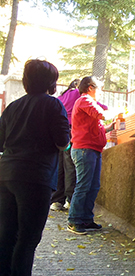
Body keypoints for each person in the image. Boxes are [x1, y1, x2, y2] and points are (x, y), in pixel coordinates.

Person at [0, 59, 70, 276]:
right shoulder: (53, 105)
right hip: (36, 177)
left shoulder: (13, 106)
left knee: (7, 236)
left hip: (6, 175)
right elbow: (63, 142)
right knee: (27, 239)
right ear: (52, 82)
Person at [68, 76, 113, 235]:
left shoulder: (87, 103)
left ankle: (86, 219)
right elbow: (101, 114)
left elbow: (97, 126)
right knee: (83, 185)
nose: (101, 92)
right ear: (90, 88)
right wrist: (115, 112)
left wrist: (109, 128)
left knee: (93, 186)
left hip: (92, 149)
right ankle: (74, 220)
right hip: (84, 149)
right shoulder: (85, 100)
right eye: (99, 88)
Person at [49, 79, 80, 212]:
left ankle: (57, 200)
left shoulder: (61, 96)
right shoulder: (77, 93)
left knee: (60, 166)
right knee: (70, 166)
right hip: (71, 130)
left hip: (59, 131)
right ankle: (70, 199)